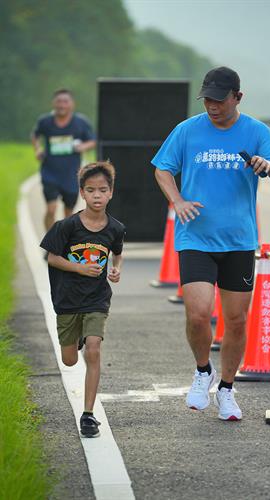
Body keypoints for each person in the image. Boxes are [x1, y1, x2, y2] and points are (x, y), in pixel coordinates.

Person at [152, 66, 270, 421]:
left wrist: (268, 165)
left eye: (219, 100)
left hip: (239, 241)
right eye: (207, 100)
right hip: (196, 237)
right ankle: (203, 371)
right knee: (198, 315)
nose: (212, 106)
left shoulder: (256, 132)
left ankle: (227, 389)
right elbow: (162, 169)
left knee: (236, 320)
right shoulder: (188, 130)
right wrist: (177, 200)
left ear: (237, 97)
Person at [40, 161, 125, 437]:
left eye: (102, 190)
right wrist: (79, 267)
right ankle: (76, 339)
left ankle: (88, 415)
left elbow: (117, 252)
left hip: (97, 300)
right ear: (82, 193)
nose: (97, 195)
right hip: (67, 300)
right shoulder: (66, 227)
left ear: (111, 192)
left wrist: (116, 269)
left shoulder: (115, 228)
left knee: (93, 349)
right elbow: (51, 258)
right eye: (91, 190)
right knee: (69, 361)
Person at [32, 89, 96, 231]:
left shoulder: (80, 123)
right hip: (49, 172)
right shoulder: (45, 121)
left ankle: (64, 243)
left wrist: (83, 146)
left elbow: (93, 140)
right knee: (51, 209)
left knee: (68, 214)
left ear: (72, 104)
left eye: (65, 101)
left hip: (71, 175)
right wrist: (37, 149)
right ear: (53, 103)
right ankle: (50, 243)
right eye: (59, 101)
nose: (62, 105)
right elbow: (35, 135)